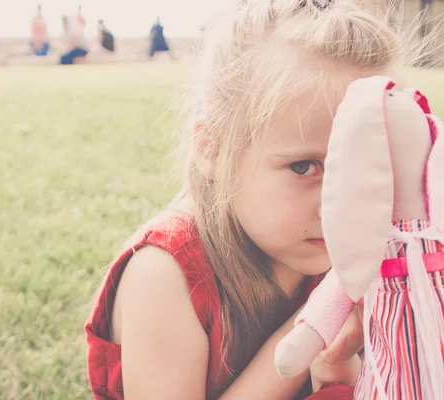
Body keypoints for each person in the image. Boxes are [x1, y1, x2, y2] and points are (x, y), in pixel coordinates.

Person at [84, 0, 412, 399]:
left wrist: (341, 372)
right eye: (305, 167)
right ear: (213, 149)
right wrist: (315, 324)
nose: (341, 205)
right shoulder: (164, 275)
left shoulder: (365, 243)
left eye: (367, 166)